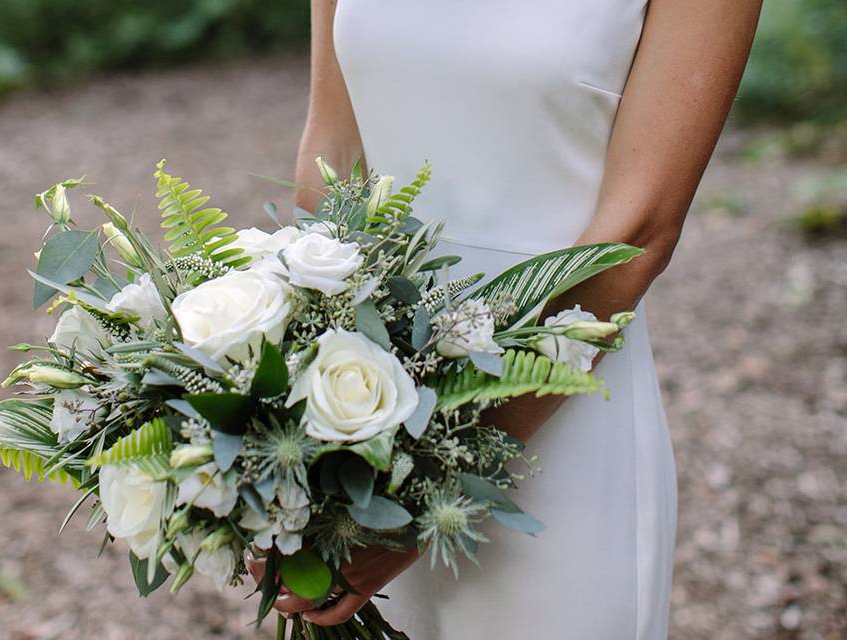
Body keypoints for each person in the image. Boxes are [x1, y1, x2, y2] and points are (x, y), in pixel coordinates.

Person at [255, 1, 762, 637]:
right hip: (362, 411)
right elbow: (329, 164)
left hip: (559, 414)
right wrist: (286, 439)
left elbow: (638, 234)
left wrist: (427, 498)